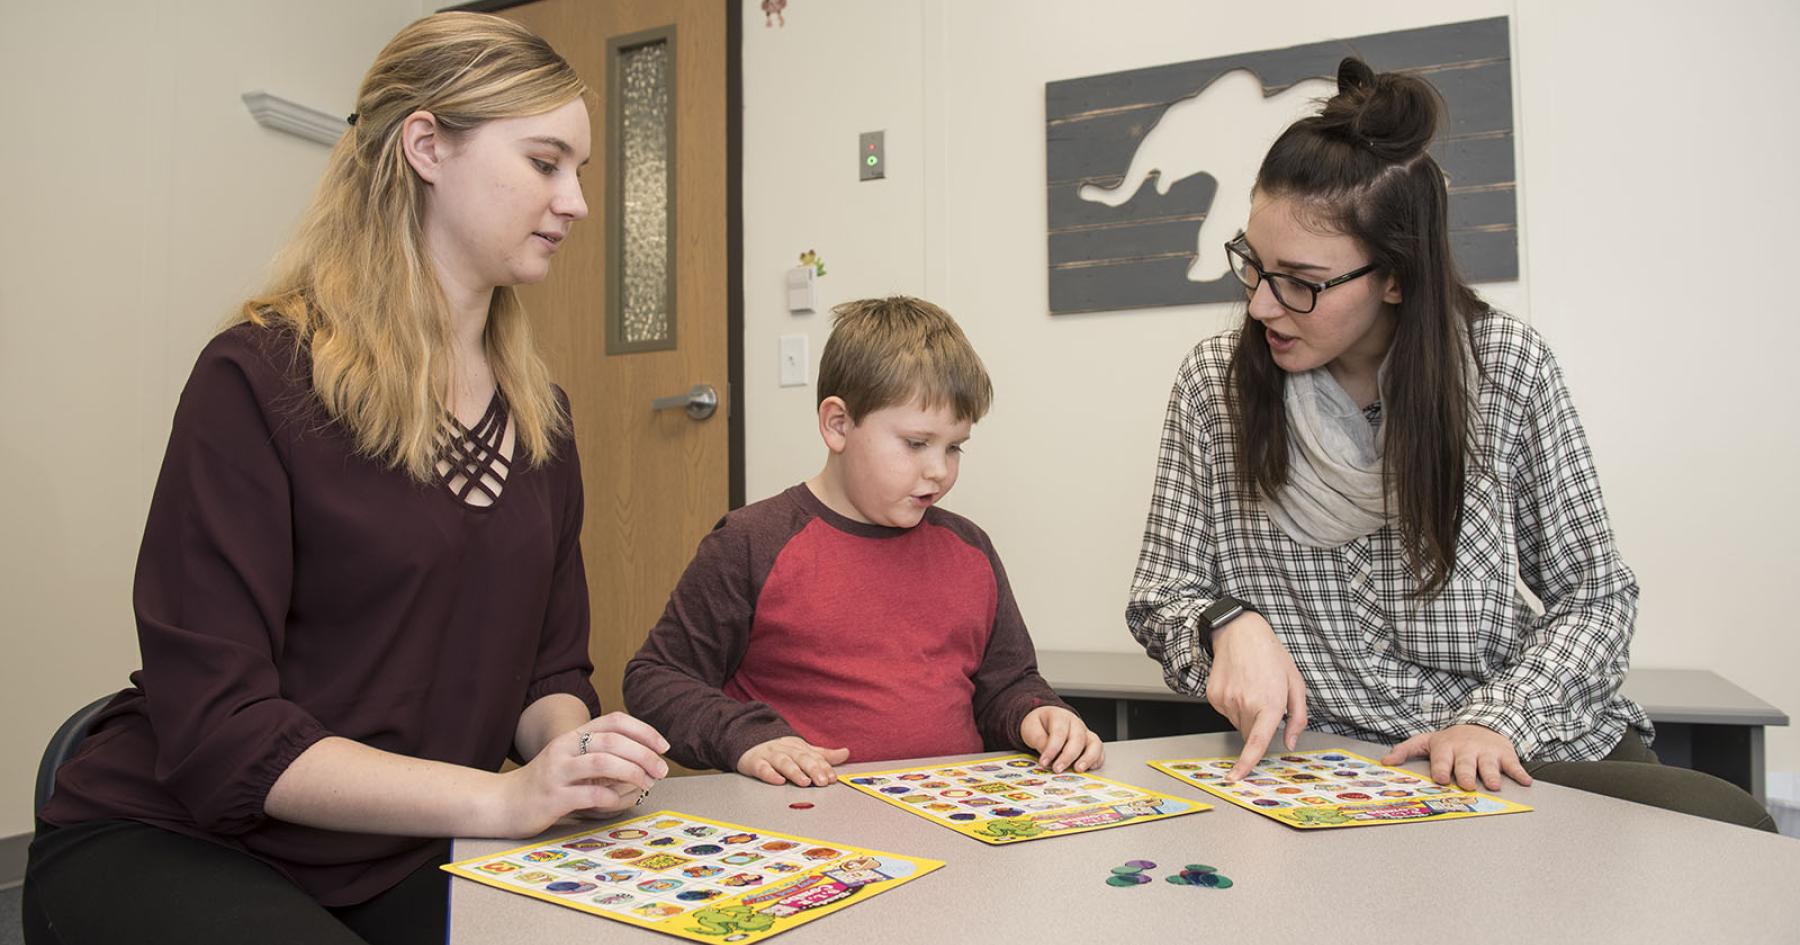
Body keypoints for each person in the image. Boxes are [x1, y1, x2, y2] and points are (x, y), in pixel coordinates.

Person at [24, 13, 672, 945]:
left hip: (399, 844)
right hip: (185, 839)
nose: (575, 201)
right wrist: (503, 798)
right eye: (544, 162)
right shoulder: (256, 380)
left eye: (581, 171)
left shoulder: (542, 421)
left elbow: (549, 669)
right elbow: (224, 730)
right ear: (425, 146)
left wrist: (570, 750)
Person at [1126, 57, 1772, 830]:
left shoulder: (1504, 369)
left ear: (1396, 276)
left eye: (1300, 280)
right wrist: (1228, 621)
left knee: (1729, 828)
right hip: (1328, 769)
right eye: (1254, 266)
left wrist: (1495, 718)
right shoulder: (1214, 388)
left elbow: (1596, 597)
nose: (1263, 303)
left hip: (1515, 748)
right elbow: (1163, 595)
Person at [625, 296, 1103, 786]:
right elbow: (656, 680)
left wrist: (1036, 714)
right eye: (916, 443)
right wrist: (746, 737)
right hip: (808, 822)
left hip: (955, 817)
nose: (939, 470)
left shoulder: (970, 549)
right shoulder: (752, 543)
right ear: (838, 425)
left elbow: (1008, 684)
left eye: (954, 447)